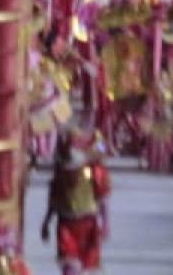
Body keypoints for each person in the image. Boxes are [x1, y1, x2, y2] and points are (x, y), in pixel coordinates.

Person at [42, 112, 110, 273]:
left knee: (89, 267)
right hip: (66, 223)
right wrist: (46, 222)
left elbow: (102, 197)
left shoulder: (93, 171)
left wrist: (105, 222)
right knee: (69, 266)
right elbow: (53, 199)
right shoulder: (60, 175)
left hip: (88, 223)